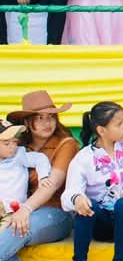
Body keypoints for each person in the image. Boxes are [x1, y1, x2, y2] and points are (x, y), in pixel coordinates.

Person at [63, 102, 123, 261]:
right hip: (101, 224)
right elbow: (68, 194)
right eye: (119, 124)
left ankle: (120, 258)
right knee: (89, 205)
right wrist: (77, 198)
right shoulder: (84, 158)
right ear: (101, 130)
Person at [0, 91, 78, 261]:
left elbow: (52, 184)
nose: (47, 123)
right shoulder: (17, 145)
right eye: (40, 118)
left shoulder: (65, 144)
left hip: (55, 212)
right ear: (27, 122)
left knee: (14, 231)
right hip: (16, 210)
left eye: (51, 117)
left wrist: (25, 210)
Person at [0, 120, 51, 231]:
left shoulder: (19, 155)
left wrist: (43, 176)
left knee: (5, 231)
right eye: (6, 143)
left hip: (12, 209)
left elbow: (40, 159)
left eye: (15, 142)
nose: (12, 147)